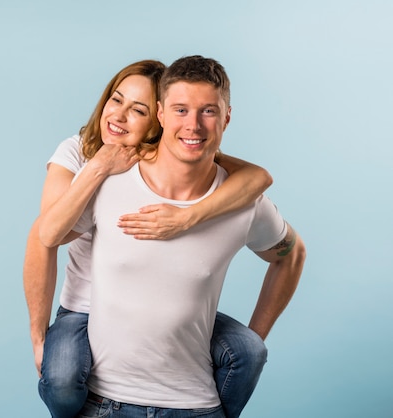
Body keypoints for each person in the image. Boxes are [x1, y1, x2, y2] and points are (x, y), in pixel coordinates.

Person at [39, 55, 307, 418]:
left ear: (227, 117)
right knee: (62, 379)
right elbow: (47, 235)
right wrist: (38, 335)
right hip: (104, 400)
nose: (193, 125)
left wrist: (190, 217)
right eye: (180, 110)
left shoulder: (245, 201)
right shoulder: (105, 180)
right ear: (162, 115)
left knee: (249, 351)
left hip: (196, 406)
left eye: (208, 111)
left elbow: (289, 253)